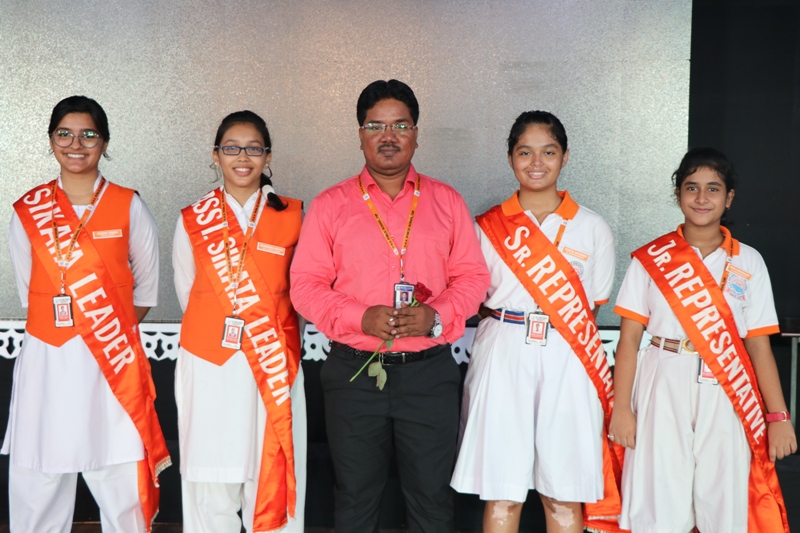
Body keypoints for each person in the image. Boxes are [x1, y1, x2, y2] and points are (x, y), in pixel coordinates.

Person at [290, 79, 490, 533]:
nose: (388, 135)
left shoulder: (446, 201)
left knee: (432, 501)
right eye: (375, 125)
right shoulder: (330, 205)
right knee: (355, 500)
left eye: (400, 125)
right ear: (360, 134)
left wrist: (436, 315)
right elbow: (304, 286)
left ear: (416, 133)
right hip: (353, 374)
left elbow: (474, 277)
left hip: (429, 375)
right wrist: (359, 316)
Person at [451, 111, 623, 533]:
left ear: (565, 157)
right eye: (525, 152)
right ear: (510, 157)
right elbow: (473, 295)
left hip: (568, 354)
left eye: (548, 152)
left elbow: (591, 307)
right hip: (502, 351)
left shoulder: (593, 227)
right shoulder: (486, 227)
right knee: (502, 493)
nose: (536, 163)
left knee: (563, 493)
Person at [4, 95, 170, 532]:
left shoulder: (129, 205)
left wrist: (104, 333)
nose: (75, 144)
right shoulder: (27, 211)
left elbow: (146, 289)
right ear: (51, 140)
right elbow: (30, 293)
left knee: (117, 470)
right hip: (48, 360)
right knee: (41, 471)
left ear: (105, 142)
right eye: (65, 134)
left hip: (111, 362)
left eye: (88, 135)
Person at [609, 147, 796, 532]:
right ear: (678, 194)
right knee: (660, 501)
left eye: (713, 189)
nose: (701, 198)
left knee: (723, 502)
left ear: (729, 198)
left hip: (727, 387)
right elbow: (628, 341)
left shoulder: (748, 260)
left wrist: (778, 417)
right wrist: (622, 408)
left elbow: (759, 346)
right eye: (691, 187)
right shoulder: (650, 258)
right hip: (663, 378)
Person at [172, 110, 306, 533]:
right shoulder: (192, 218)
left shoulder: (294, 215)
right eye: (231, 148)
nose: (242, 157)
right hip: (209, 365)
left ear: (268, 156)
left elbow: (303, 291)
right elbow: (188, 291)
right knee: (210, 485)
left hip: (272, 365)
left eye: (253, 148)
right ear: (216, 155)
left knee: (270, 475)